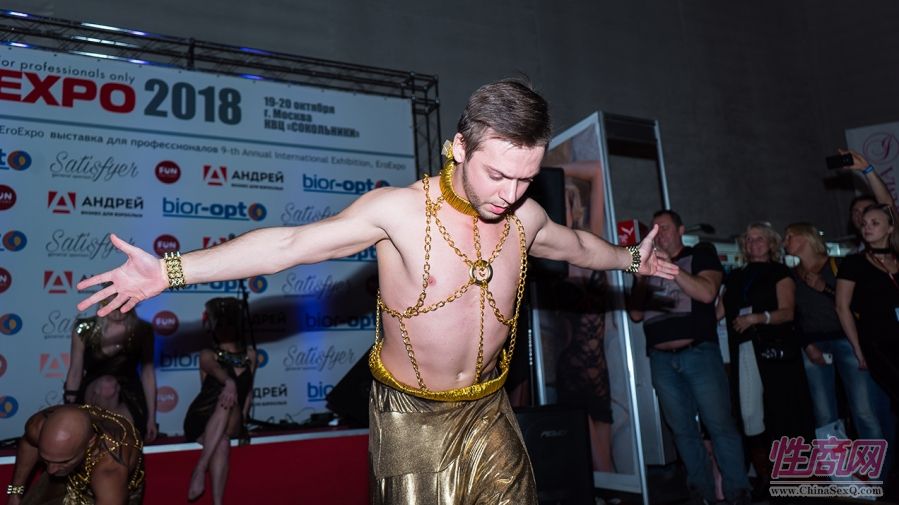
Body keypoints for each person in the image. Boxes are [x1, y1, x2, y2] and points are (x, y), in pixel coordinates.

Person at [74, 79, 677, 505]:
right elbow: (290, 245)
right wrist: (171, 271)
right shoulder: (400, 212)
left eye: (525, 179)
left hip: (489, 408)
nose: (510, 193)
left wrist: (632, 258)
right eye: (497, 174)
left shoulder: (525, 217)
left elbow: (577, 248)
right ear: (458, 148)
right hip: (412, 419)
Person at [629, 210, 751, 505]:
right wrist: (642, 277)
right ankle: (700, 493)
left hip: (699, 352)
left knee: (719, 424)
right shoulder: (648, 263)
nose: (660, 234)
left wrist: (670, 267)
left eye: (665, 228)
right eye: (655, 229)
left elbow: (707, 293)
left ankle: (737, 493)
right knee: (682, 430)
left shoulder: (700, 255)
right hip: (661, 359)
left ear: (681, 230)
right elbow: (635, 314)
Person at [719, 222, 814, 495]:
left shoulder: (779, 272)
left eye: (759, 238)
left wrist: (757, 318)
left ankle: (791, 476)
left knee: (783, 413)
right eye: (749, 239)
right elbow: (717, 312)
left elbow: (788, 312)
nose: (753, 243)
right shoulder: (735, 277)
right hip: (745, 349)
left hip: (777, 350)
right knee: (749, 414)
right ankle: (765, 476)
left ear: (771, 243)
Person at [783, 222, 885, 442]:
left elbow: (857, 303)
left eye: (790, 236)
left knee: (864, 410)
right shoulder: (792, 275)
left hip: (847, 339)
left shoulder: (838, 264)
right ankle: (835, 464)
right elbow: (794, 316)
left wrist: (826, 288)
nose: (785, 242)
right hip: (814, 344)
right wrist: (807, 345)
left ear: (806, 238)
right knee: (823, 414)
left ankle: (878, 462)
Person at [183, 297, 257, 504]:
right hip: (202, 415)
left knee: (229, 400)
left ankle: (199, 469)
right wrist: (229, 382)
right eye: (220, 324)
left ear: (236, 326)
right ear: (213, 328)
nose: (224, 329)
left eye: (229, 324)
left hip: (233, 415)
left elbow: (248, 392)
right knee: (222, 443)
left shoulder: (250, 355)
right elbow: (215, 370)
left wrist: (243, 422)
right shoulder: (208, 354)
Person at [5, 404, 144, 505]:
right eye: (46, 459)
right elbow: (29, 445)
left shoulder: (110, 471)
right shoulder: (37, 426)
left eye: (62, 461)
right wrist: (15, 493)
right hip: (72, 470)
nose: (51, 470)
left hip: (108, 490)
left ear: (90, 442)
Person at [63, 300, 157, 442]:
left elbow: (148, 374)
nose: (118, 311)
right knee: (107, 385)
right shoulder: (84, 328)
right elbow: (76, 370)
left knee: (125, 437)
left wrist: (151, 419)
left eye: (122, 304)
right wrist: (69, 406)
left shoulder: (143, 330)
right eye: (113, 304)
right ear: (103, 302)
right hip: (94, 388)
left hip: (129, 389)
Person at [836, 204, 899, 405]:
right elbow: (842, 307)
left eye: (874, 223)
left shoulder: (897, 259)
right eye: (864, 224)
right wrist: (857, 347)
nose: (867, 228)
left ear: (890, 228)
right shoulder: (853, 263)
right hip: (877, 343)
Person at [838, 148, 896, 252]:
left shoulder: (895, 250)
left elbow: (887, 204)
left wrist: (867, 169)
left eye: (866, 210)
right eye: (856, 211)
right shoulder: (855, 255)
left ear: (889, 226)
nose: (861, 216)